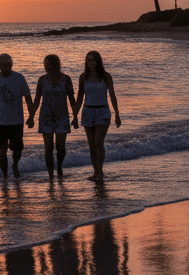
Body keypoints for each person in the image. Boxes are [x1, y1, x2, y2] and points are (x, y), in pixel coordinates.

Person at [0, 53, 33, 178]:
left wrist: (31, 116)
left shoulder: (19, 78)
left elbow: (28, 98)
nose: (5, 67)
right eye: (2, 65)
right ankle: (5, 176)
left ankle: (15, 165)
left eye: (7, 64)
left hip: (16, 120)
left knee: (17, 150)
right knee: (1, 151)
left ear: (11, 64)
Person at [27, 54, 78, 178]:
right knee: (48, 148)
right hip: (46, 117)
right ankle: (50, 175)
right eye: (45, 66)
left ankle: (59, 166)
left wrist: (75, 116)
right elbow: (37, 99)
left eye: (49, 67)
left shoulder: (66, 79)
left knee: (61, 148)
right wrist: (31, 116)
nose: (47, 69)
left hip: (62, 116)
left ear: (56, 66)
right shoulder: (42, 80)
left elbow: (72, 99)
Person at [73, 50, 121, 180]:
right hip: (87, 112)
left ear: (98, 62)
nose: (91, 63)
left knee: (98, 143)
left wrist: (117, 113)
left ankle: (100, 171)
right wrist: (74, 115)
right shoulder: (83, 77)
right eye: (89, 60)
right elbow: (79, 97)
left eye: (93, 60)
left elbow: (112, 95)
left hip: (103, 112)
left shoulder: (106, 76)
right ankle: (96, 172)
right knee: (91, 145)